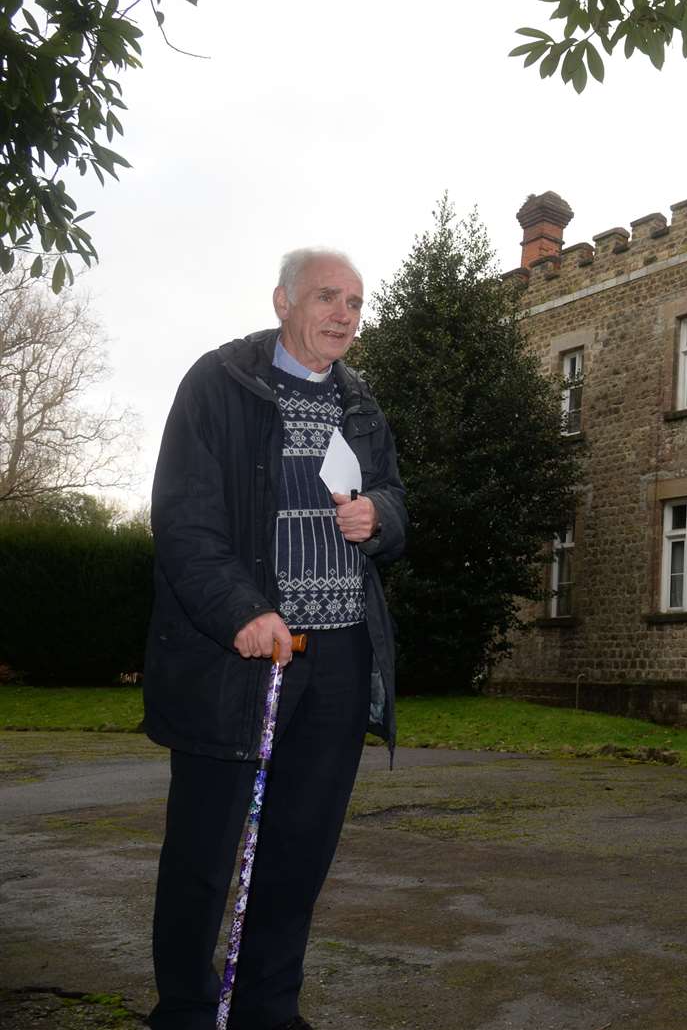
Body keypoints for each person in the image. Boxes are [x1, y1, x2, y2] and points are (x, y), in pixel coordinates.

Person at [143, 248, 406, 1030]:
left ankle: (266, 1010)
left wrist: (381, 517)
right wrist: (241, 612)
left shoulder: (361, 404)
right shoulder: (219, 385)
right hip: (243, 658)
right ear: (283, 301)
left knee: (296, 854)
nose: (344, 315)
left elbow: (393, 493)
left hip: (338, 658)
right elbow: (184, 520)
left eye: (356, 303)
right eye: (328, 297)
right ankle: (188, 1012)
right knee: (205, 853)